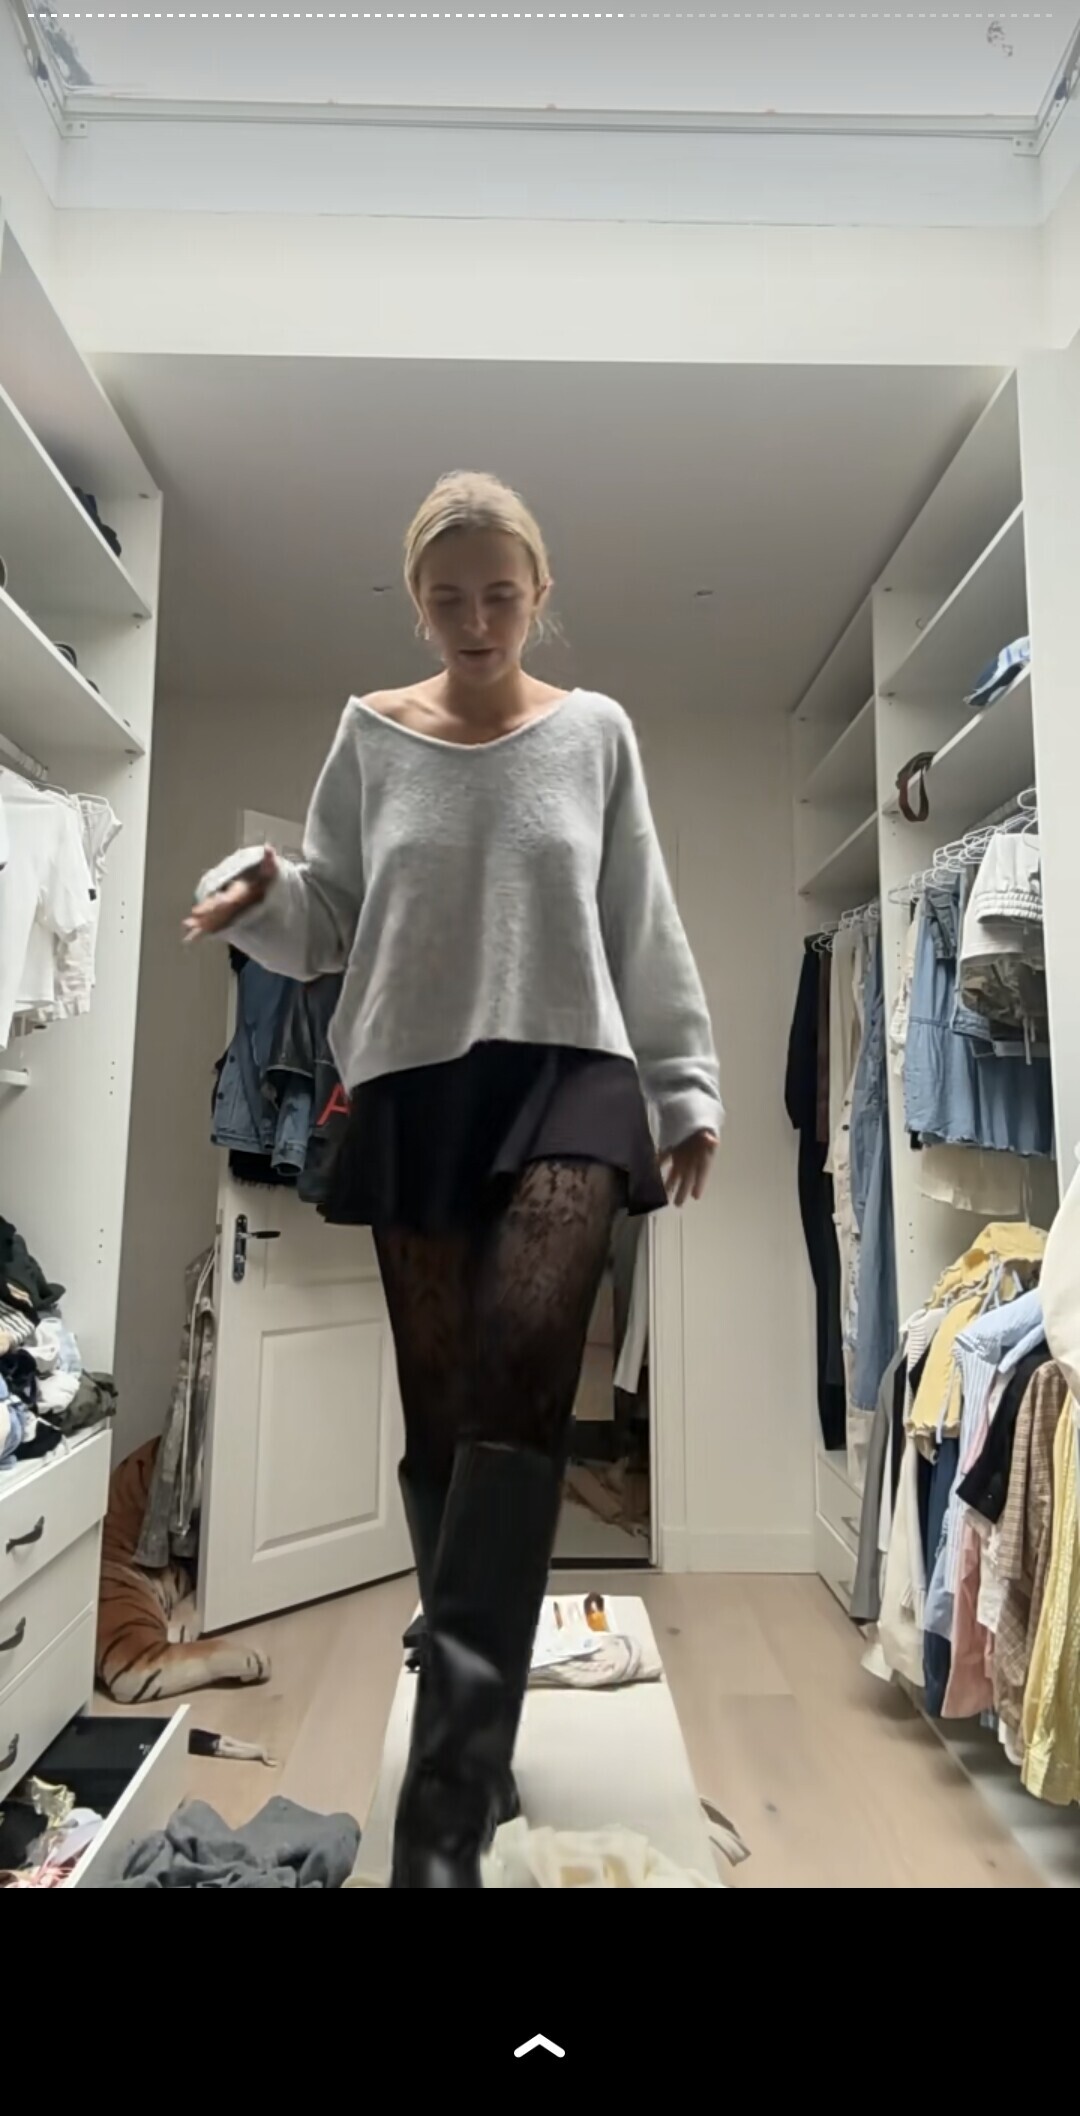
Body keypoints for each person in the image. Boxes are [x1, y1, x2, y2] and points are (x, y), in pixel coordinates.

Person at [187, 470, 722, 1888]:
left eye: (499, 594)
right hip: (416, 1084)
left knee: (524, 1379)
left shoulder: (595, 733)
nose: (475, 620)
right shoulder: (369, 735)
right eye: (447, 598)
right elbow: (330, 918)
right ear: (415, 604)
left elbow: (640, 914)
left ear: (538, 594)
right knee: (446, 1423)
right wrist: (260, 891)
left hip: (571, 1072)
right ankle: (477, 1749)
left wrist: (685, 1088)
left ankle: (439, 1819)